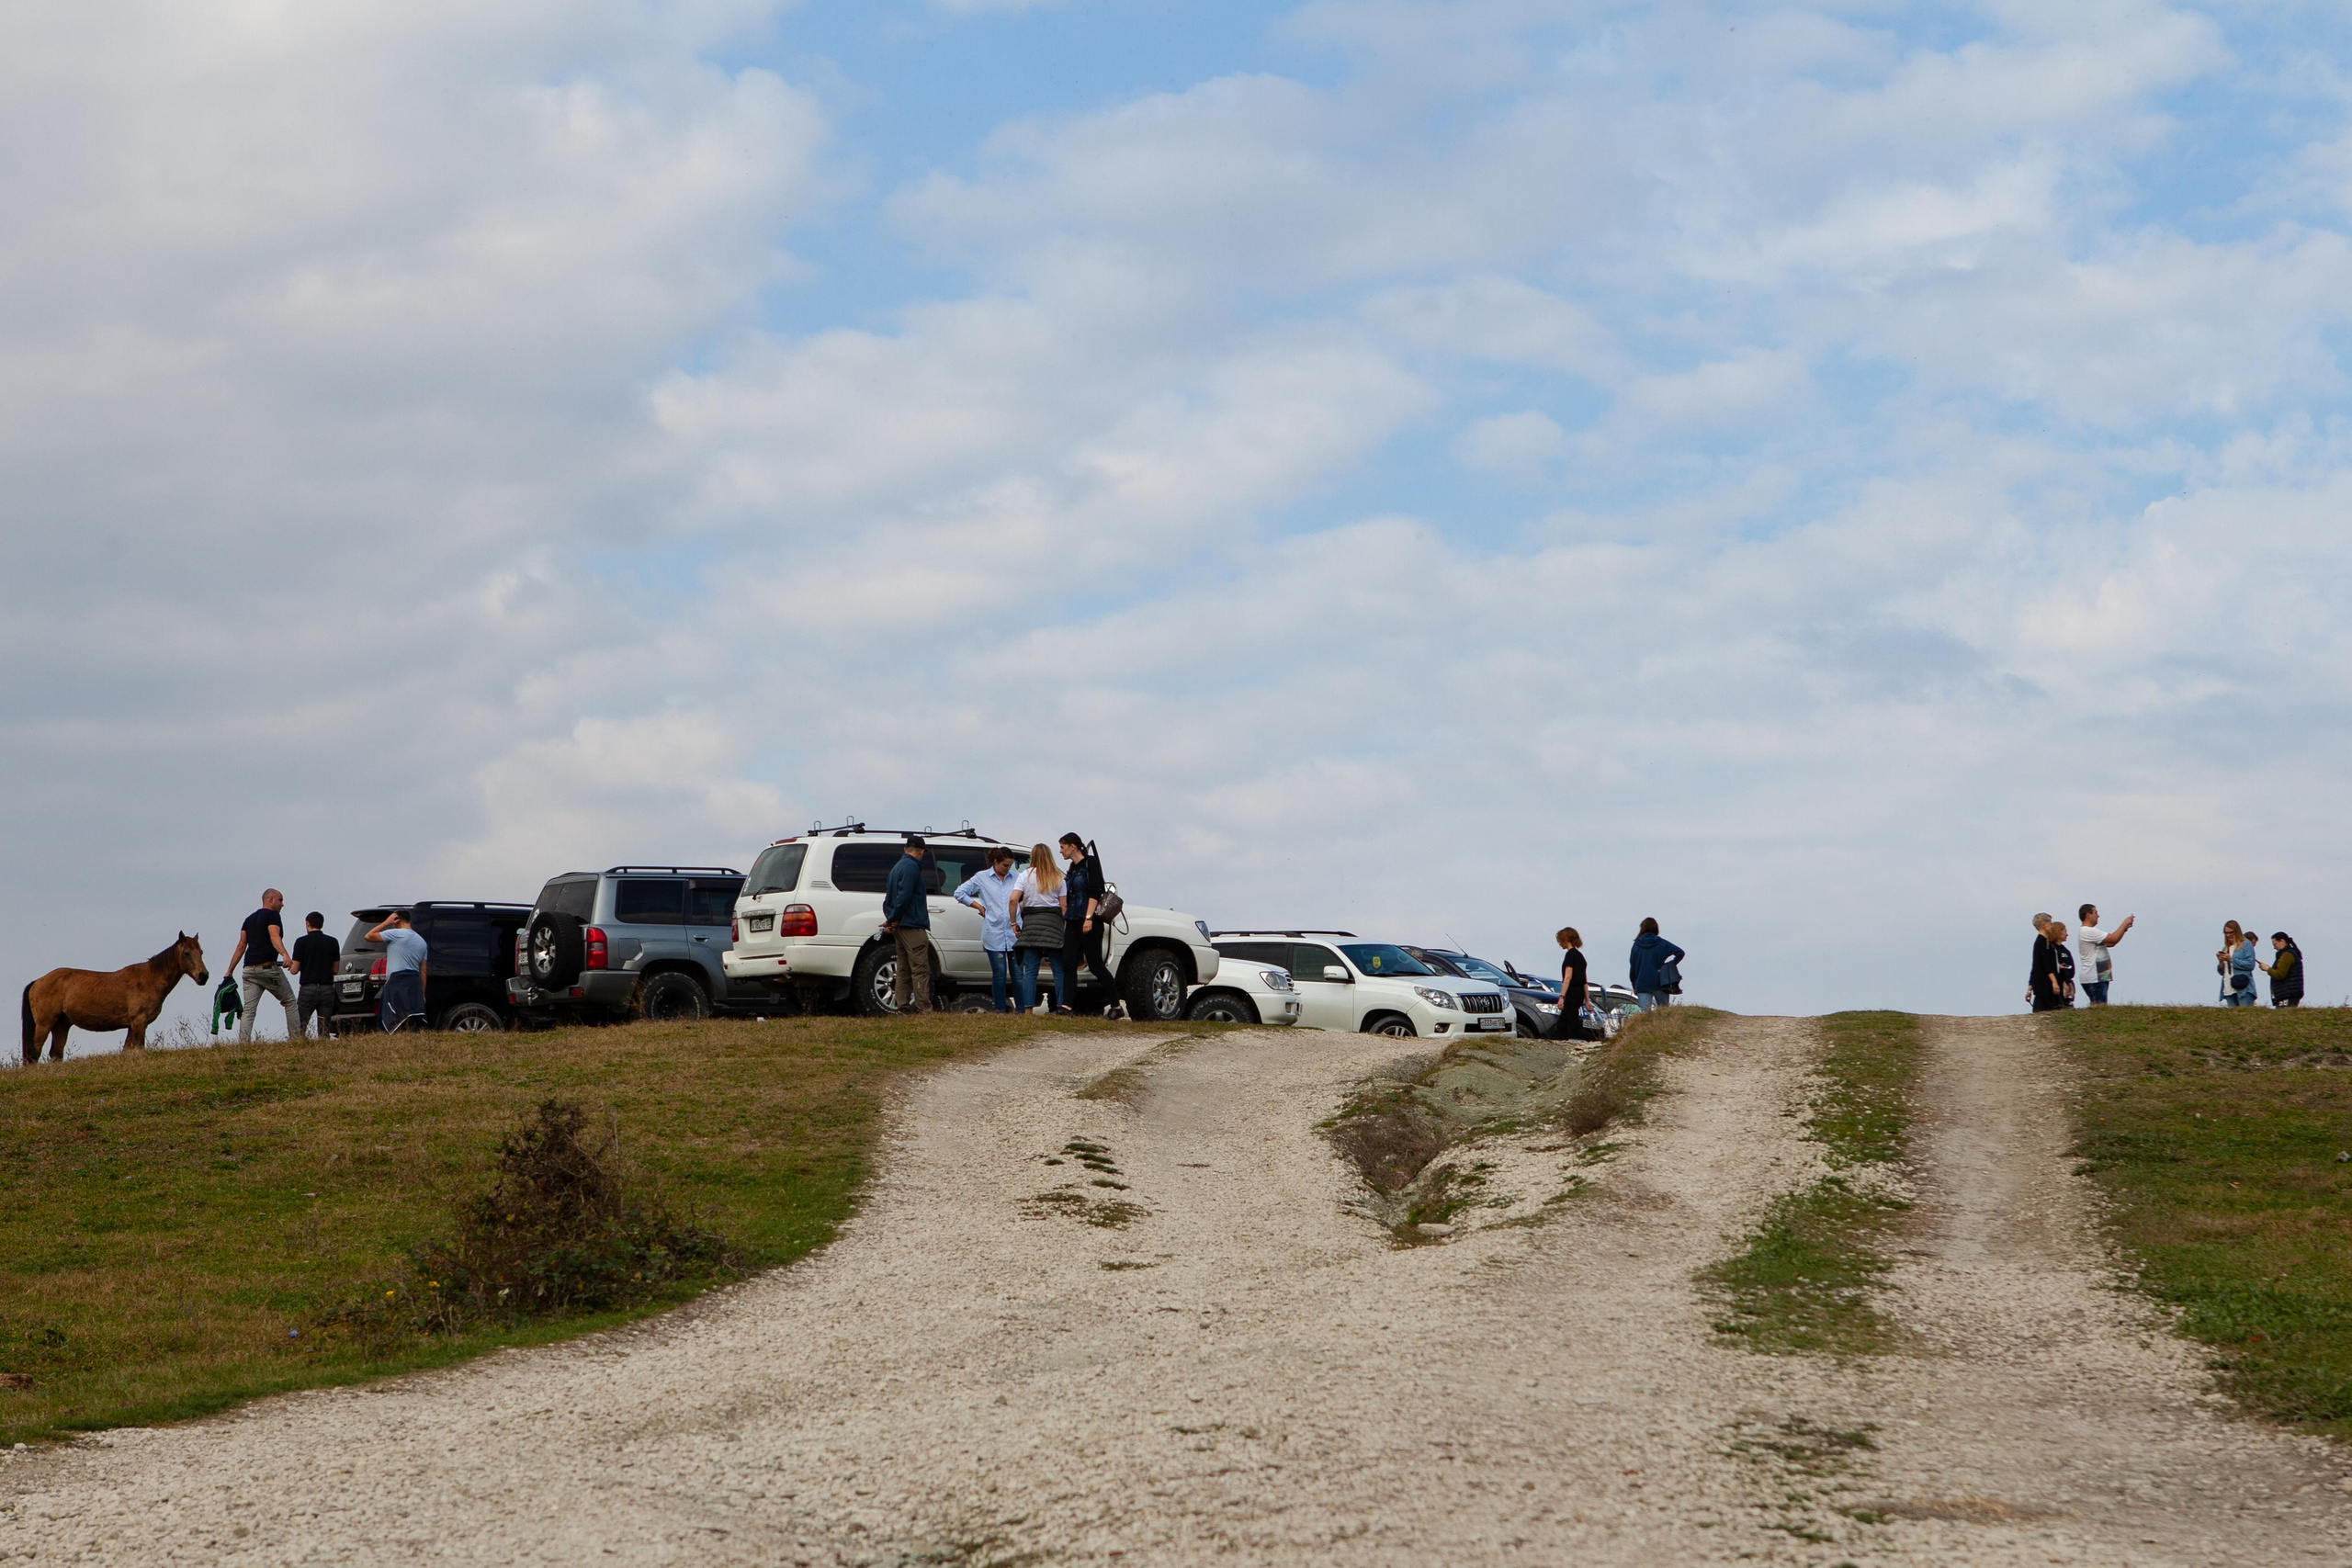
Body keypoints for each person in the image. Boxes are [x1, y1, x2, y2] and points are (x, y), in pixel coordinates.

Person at [221, 888, 299, 1043]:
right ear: (270, 900)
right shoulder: (273, 916)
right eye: (280, 900)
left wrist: (229, 971)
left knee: (249, 1010)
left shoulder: (248, 920)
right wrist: (285, 954)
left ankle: (243, 1044)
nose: (282, 904)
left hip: (249, 970)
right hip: (267, 968)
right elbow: (274, 936)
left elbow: (241, 946)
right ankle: (296, 1040)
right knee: (290, 1002)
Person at [954, 846, 1021, 1012]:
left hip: (1015, 933)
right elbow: (960, 892)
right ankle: (999, 1010)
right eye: (1005, 865)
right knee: (999, 974)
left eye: (1010, 865)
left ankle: (1022, 1010)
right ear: (996, 862)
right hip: (994, 932)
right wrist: (978, 906)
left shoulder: (1016, 877)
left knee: (1018, 974)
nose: (1008, 869)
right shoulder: (982, 877)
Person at [1058, 833, 1118, 1016]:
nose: (1060, 851)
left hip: (1089, 920)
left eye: (1062, 847)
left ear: (1073, 846)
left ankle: (1116, 1006)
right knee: (1068, 962)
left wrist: (1089, 918)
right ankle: (1067, 1006)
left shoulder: (1090, 863)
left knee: (1095, 964)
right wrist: (1067, 921)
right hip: (1073, 920)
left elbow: (1095, 891)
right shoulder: (1072, 868)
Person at [1011, 844, 1068, 1013]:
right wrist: (1065, 926)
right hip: (1053, 924)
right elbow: (1064, 906)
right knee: (1058, 970)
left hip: (1031, 926)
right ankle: (1062, 1007)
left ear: (1033, 856)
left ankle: (1028, 1010)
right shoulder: (1058, 877)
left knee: (1030, 971)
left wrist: (1013, 923)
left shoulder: (1025, 876)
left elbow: (1013, 900)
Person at [881, 834, 933, 1014]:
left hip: (900, 926)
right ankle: (924, 1008)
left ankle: (902, 1007)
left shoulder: (896, 867)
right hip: (912, 925)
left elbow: (888, 898)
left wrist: (891, 919)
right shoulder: (912, 867)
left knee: (903, 968)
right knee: (920, 969)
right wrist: (894, 918)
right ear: (922, 852)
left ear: (905, 849)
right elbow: (904, 896)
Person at [365, 908, 429, 1032]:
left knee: (393, 1016)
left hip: (396, 980)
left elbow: (368, 936)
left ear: (397, 920)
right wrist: (422, 994)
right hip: (414, 982)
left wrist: (386, 922)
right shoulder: (422, 941)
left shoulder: (396, 933)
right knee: (412, 1016)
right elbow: (423, 971)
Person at [289, 911, 342, 1040]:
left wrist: (296, 965)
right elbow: (336, 970)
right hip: (327, 989)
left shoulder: (301, 942)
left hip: (308, 988)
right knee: (324, 1028)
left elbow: (294, 970)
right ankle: (323, 1047)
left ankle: (299, 1046)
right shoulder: (333, 942)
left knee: (300, 1026)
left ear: (307, 923)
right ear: (322, 924)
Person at [2073, 904, 2134, 1007]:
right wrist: (2124, 923)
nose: (2098, 915)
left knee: (2099, 1007)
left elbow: (2111, 943)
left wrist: (2123, 930)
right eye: (2095, 913)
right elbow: (2113, 938)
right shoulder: (2088, 931)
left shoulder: (2087, 932)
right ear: (2088, 915)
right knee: (2099, 1008)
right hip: (2094, 977)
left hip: (2098, 977)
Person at [1552, 927, 1601, 1042]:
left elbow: (1568, 977)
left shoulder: (1570, 955)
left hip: (1572, 993)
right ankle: (1564, 1044)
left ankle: (1594, 1041)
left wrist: (1562, 996)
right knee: (1562, 1024)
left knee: (1573, 1025)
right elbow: (1584, 981)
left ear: (1565, 940)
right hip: (1579, 994)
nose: (1559, 944)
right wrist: (1587, 1000)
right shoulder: (1581, 957)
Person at [1628, 918, 1684, 1011]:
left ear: (1642, 928)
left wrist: (1634, 985)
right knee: (1664, 1013)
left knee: (1645, 1015)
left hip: (1642, 983)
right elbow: (1680, 953)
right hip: (1660, 982)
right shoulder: (1662, 943)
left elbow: (1633, 967)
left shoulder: (1636, 945)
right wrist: (1667, 966)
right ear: (1656, 928)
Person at [2030, 919, 2072, 1011]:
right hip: (2045, 986)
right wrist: (2055, 982)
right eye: (2050, 923)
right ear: (2044, 925)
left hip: (2051, 985)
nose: (2051, 926)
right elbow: (2044, 965)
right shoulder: (2043, 943)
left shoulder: (2050, 945)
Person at [2217, 920, 2259, 1008]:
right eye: (2226, 933)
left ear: (2237, 931)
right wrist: (2221, 962)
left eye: (2231, 932)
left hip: (2243, 987)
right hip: (2228, 987)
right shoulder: (2225, 948)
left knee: (2245, 1014)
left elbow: (2250, 964)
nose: (2228, 935)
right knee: (2233, 1016)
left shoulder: (2246, 944)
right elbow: (2222, 972)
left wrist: (2231, 959)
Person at [2264, 931, 2305, 1008]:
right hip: (2288, 993)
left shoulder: (2287, 955)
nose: (2274, 947)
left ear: (2282, 941)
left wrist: (2268, 969)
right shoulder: (2290, 954)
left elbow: (2280, 974)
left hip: (2288, 993)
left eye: (2275, 944)